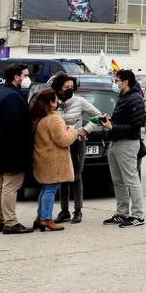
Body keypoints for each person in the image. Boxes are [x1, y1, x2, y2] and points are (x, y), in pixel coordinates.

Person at [90, 68, 146, 227]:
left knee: (131, 180)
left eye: (117, 81)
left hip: (127, 144)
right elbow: (123, 121)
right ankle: (122, 213)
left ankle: (138, 216)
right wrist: (110, 122)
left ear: (125, 82)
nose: (115, 84)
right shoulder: (123, 97)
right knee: (118, 181)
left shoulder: (135, 99)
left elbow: (134, 127)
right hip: (115, 143)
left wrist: (112, 127)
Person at [50, 72, 103, 224]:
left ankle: (78, 211)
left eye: (72, 87)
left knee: (76, 176)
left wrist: (85, 130)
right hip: (60, 144)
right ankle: (64, 211)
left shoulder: (79, 101)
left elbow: (98, 115)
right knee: (63, 177)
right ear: (59, 88)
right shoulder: (53, 102)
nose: (70, 89)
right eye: (66, 87)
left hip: (77, 143)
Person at [0, 62, 35, 235]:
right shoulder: (12, 97)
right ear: (16, 78)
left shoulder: (3, 92)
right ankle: (11, 222)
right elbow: (16, 125)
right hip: (12, 148)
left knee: (0, 184)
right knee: (10, 185)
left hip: (2, 147)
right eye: (25, 75)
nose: (27, 78)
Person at [29, 88, 76, 232]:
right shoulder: (53, 118)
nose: (57, 102)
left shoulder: (40, 117)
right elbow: (63, 140)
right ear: (51, 103)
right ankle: (46, 219)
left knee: (45, 188)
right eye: (55, 100)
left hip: (44, 159)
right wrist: (72, 131)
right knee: (50, 189)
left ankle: (40, 217)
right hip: (54, 161)